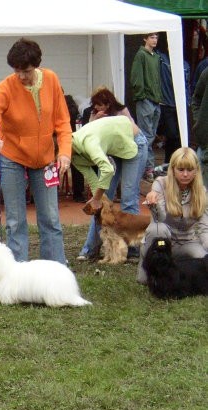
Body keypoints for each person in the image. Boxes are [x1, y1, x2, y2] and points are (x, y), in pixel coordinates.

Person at [0, 38, 71, 264]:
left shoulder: (51, 79)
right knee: (15, 220)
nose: (21, 76)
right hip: (12, 157)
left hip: (46, 159)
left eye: (26, 71)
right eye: (16, 70)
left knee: (50, 219)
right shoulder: (5, 87)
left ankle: (55, 271)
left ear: (37, 65)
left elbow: (63, 122)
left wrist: (65, 152)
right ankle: (17, 274)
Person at [71, 115, 148, 260]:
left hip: (134, 142)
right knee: (100, 208)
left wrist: (97, 198)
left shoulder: (89, 143)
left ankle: (132, 251)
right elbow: (94, 181)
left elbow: (107, 170)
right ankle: (91, 249)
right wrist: (99, 201)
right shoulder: (72, 157)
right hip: (113, 150)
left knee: (128, 199)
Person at [137, 147, 208, 284]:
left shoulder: (202, 191)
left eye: (190, 170)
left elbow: (205, 227)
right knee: (157, 228)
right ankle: (146, 268)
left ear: (196, 171)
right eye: (181, 170)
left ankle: (177, 266)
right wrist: (154, 205)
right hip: (165, 240)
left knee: (203, 260)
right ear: (173, 169)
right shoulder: (160, 184)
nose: (185, 174)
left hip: (189, 241)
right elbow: (160, 220)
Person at [130, 32, 162, 183]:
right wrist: (141, 96)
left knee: (150, 136)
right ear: (145, 39)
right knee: (146, 136)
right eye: (152, 37)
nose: (154, 40)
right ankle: (146, 168)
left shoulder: (155, 57)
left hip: (155, 101)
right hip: (146, 100)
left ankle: (147, 168)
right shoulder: (141, 55)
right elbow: (136, 78)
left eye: (156, 37)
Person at [191, 67, 208, 187]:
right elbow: (196, 99)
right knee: (200, 194)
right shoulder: (206, 72)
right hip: (205, 143)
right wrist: (199, 122)